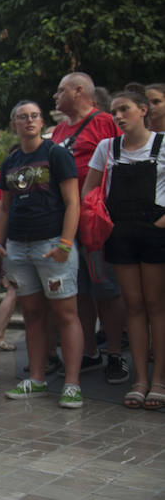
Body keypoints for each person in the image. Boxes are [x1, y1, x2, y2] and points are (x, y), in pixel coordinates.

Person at [0, 100, 84, 409]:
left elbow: (73, 202)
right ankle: (37, 378)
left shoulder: (57, 154)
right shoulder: (11, 162)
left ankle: (72, 384)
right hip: (19, 246)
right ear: (14, 125)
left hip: (51, 244)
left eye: (34, 116)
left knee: (65, 314)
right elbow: (5, 208)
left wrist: (65, 244)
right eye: (23, 117)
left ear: (42, 121)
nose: (29, 121)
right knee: (32, 314)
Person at [83, 90, 165, 409]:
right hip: (121, 233)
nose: (118, 116)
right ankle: (140, 379)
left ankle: (159, 378)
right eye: (115, 111)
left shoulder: (162, 143)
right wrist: (99, 219)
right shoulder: (108, 147)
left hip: (154, 232)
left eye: (125, 109)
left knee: (156, 305)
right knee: (132, 305)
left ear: (142, 110)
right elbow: (89, 189)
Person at [51, 72, 127, 385]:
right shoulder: (57, 130)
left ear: (78, 91)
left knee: (106, 289)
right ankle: (90, 351)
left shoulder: (105, 122)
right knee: (78, 289)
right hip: (66, 222)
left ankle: (115, 353)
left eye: (60, 91)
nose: (55, 97)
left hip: (96, 221)